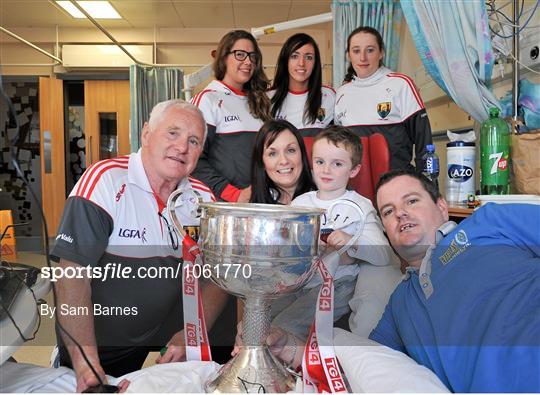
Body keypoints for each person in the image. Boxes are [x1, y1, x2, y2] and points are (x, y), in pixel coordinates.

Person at [263, 169, 540, 393]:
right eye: (388, 211)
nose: (400, 214)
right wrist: (290, 347)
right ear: (386, 232)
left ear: (442, 208)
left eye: (411, 201)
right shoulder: (401, 305)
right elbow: (365, 366)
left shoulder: (488, 223)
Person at [50, 100, 228, 392]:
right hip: (107, 341)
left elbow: (220, 275)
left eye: (193, 140)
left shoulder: (204, 198)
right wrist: (86, 366)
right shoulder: (105, 180)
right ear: (146, 134)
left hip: (164, 325)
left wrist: (191, 334)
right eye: (172, 133)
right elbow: (71, 277)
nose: (182, 147)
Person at [271, 126, 399, 340]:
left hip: (338, 284)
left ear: (354, 170)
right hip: (298, 282)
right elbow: (281, 247)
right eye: (320, 162)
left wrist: (351, 242)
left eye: (337, 164)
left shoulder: (360, 205)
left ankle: (290, 370)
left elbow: (384, 255)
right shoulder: (300, 204)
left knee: (284, 327)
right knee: (259, 318)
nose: (326, 170)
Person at [334, 26, 433, 171]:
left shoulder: (401, 84)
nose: (363, 58)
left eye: (370, 50)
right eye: (356, 51)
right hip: (355, 187)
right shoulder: (342, 93)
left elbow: (423, 142)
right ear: (349, 55)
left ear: (381, 53)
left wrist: (427, 184)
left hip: (397, 183)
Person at [191, 30, 271, 203]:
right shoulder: (208, 99)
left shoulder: (260, 101)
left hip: (260, 203)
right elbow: (193, 160)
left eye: (252, 56)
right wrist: (233, 195)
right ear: (224, 58)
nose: (248, 61)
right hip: (226, 208)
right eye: (240, 55)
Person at [268, 33, 335, 137]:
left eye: (308, 57)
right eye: (294, 56)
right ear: (286, 61)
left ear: (315, 62)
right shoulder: (268, 98)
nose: (301, 63)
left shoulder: (330, 96)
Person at [249, 119, 315, 204]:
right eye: (272, 154)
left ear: (302, 154)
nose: (284, 161)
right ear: (262, 162)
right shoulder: (252, 211)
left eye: (291, 150)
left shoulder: (328, 201)